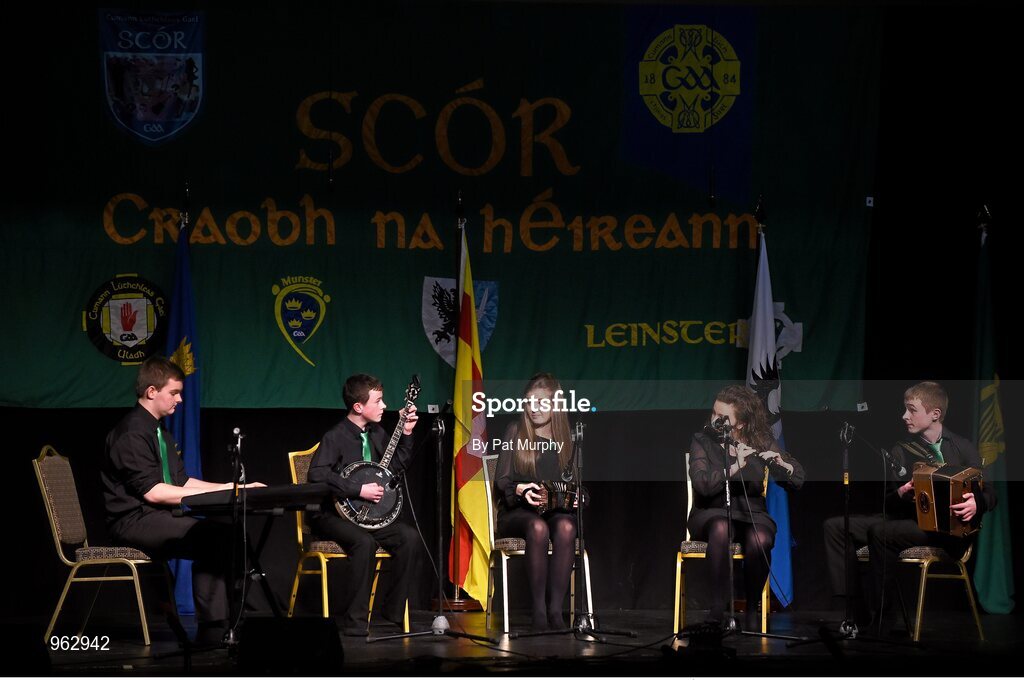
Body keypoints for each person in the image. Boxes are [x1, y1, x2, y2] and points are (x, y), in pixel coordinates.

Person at [102, 356, 265, 646]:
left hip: (156, 517)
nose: (179, 399)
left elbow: (181, 482)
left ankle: (225, 624)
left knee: (225, 535)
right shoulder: (131, 434)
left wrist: (233, 487)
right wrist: (223, 494)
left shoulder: (159, 432)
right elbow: (153, 492)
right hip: (132, 521)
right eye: (174, 393)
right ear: (152, 391)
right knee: (214, 537)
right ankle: (215, 628)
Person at [823, 381, 996, 632]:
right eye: (905, 409)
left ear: (934, 414)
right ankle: (854, 609)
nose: (905, 416)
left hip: (948, 534)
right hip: (906, 521)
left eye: (912, 410)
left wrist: (976, 502)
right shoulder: (901, 450)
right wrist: (902, 494)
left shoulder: (962, 447)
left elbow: (991, 492)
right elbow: (888, 501)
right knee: (837, 526)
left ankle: (884, 614)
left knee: (881, 533)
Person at [306, 374, 420, 637]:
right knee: (364, 543)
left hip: (368, 517)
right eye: (378, 401)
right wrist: (358, 489)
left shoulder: (378, 433)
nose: (384, 406)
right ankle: (355, 621)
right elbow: (318, 474)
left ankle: (391, 612)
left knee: (409, 538)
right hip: (332, 515)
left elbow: (396, 467)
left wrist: (407, 433)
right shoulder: (335, 436)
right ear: (358, 407)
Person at [687, 384, 804, 631]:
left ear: (740, 424)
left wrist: (783, 464)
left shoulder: (761, 441)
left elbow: (796, 480)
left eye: (723, 417)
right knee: (720, 527)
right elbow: (703, 485)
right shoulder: (702, 441)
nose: (715, 420)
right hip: (711, 511)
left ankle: (751, 608)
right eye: (714, 413)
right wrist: (734, 467)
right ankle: (717, 608)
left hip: (751, 512)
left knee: (760, 537)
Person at [493, 372, 580, 631]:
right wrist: (520, 489)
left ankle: (556, 610)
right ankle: (539, 612)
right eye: (530, 402)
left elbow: (576, 484)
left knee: (566, 527)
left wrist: (576, 498)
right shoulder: (514, 431)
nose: (534, 409)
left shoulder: (568, 439)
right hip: (517, 512)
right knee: (538, 528)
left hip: (552, 510)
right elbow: (502, 480)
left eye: (541, 402)